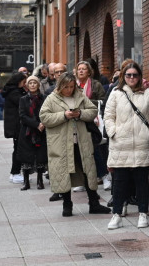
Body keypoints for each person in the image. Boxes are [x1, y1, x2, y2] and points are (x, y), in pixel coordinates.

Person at [39, 73, 112, 217]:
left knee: (88, 171)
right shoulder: (52, 98)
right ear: (60, 86)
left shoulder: (80, 96)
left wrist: (79, 114)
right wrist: (63, 115)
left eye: (72, 86)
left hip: (81, 141)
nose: (69, 90)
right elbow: (44, 117)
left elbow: (93, 111)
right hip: (61, 143)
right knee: (64, 172)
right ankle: (67, 205)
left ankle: (94, 203)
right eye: (66, 87)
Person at [104, 61, 149, 230]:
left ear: (139, 76)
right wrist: (112, 132)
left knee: (141, 181)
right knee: (120, 182)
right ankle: (116, 215)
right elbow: (108, 116)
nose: (131, 78)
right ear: (123, 76)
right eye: (128, 75)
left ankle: (143, 213)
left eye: (135, 75)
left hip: (142, 143)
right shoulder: (116, 93)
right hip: (120, 143)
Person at [75, 60, 109, 192]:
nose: (81, 71)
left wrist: (86, 101)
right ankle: (82, 180)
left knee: (94, 150)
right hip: (77, 122)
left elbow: (103, 101)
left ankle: (104, 176)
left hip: (92, 121)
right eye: (79, 69)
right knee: (79, 152)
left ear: (89, 71)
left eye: (84, 69)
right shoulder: (73, 85)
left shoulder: (96, 84)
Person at [16, 76, 48, 191]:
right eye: (30, 83)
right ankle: (26, 181)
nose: (33, 85)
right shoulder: (23, 99)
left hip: (41, 131)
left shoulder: (44, 98)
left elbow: (47, 112)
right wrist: (36, 124)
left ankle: (40, 180)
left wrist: (42, 123)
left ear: (38, 85)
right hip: (27, 132)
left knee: (40, 157)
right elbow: (22, 116)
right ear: (27, 85)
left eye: (35, 83)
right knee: (26, 157)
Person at [3, 71, 27, 184]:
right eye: (24, 82)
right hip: (16, 126)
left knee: (18, 149)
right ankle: (15, 173)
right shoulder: (14, 93)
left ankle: (15, 173)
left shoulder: (13, 91)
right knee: (18, 150)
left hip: (15, 125)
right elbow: (24, 103)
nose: (26, 84)